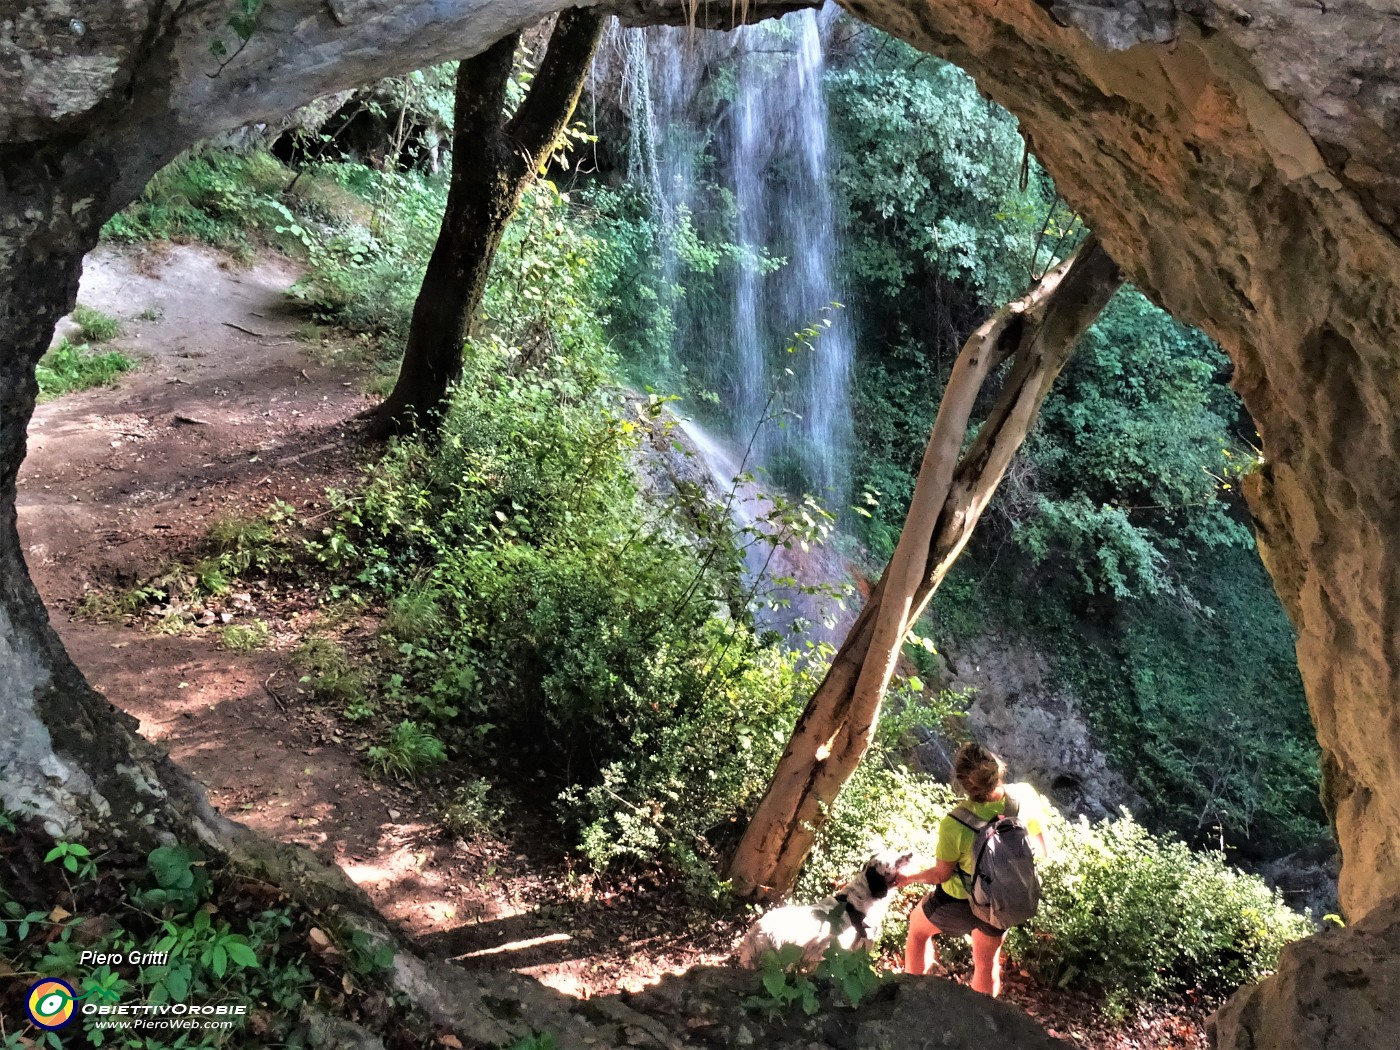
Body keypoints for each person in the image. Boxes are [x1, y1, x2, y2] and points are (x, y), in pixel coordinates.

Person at [893, 742, 1051, 997]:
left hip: (960, 902)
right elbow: (1043, 850)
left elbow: (940, 875)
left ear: (962, 782)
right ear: (997, 768)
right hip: (1002, 899)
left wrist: (909, 877)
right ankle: (983, 1022)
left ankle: (913, 996)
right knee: (986, 962)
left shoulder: (955, 822)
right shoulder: (1024, 795)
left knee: (918, 929)